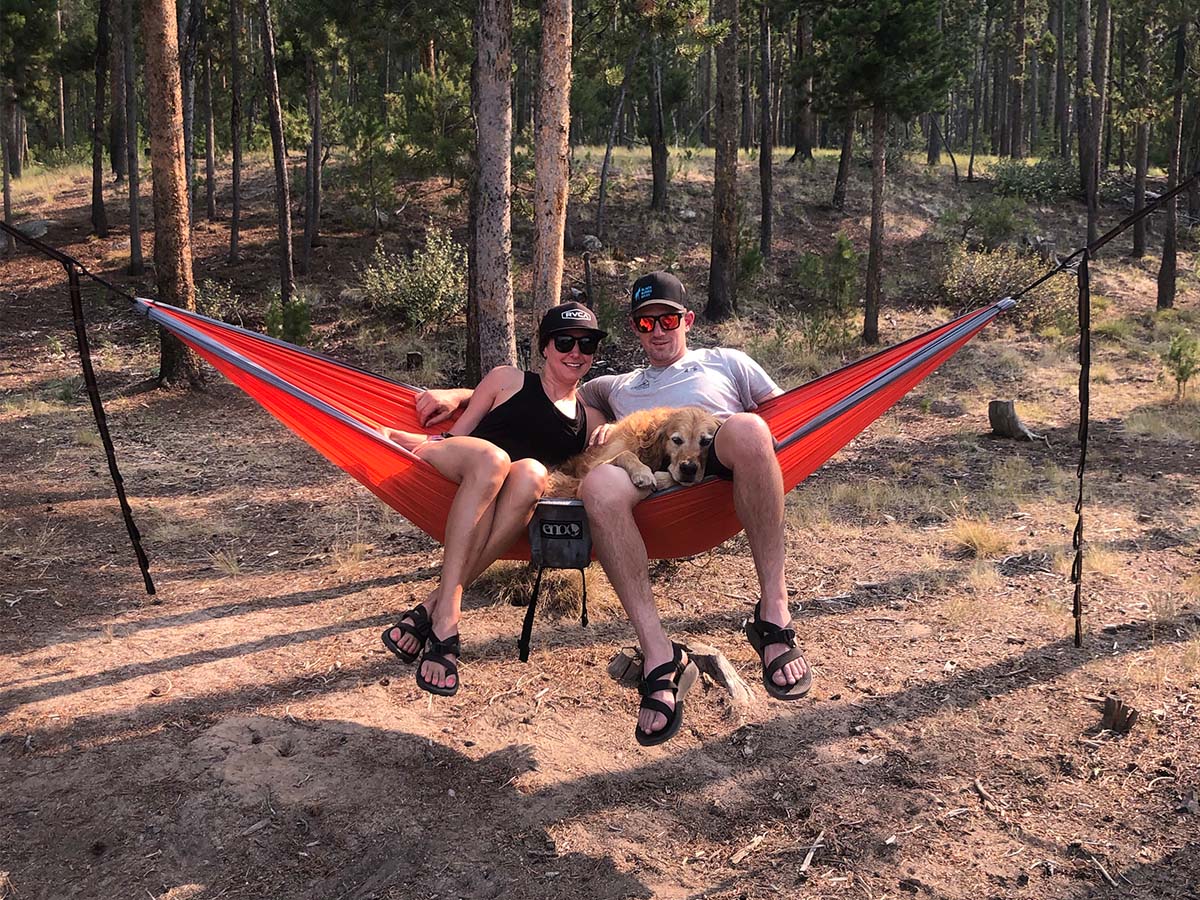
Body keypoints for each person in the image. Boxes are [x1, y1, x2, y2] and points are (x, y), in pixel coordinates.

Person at [420, 272, 810, 745]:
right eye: (646, 324)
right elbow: (546, 391)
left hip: (719, 463)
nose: (658, 331)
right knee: (600, 483)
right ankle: (659, 656)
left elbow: (792, 415)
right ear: (635, 330)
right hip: (646, 481)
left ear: (686, 319)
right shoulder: (615, 386)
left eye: (667, 319)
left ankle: (773, 613)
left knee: (749, 429)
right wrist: (462, 397)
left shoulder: (726, 362)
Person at [380, 302, 607, 697]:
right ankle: (447, 617)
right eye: (565, 341)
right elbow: (458, 433)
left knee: (533, 472)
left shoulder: (592, 419)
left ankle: (429, 611)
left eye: (586, 345)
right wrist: (450, 402)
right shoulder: (507, 379)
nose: (576, 352)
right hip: (457, 464)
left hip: (506, 501)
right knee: (493, 458)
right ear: (545, 347)